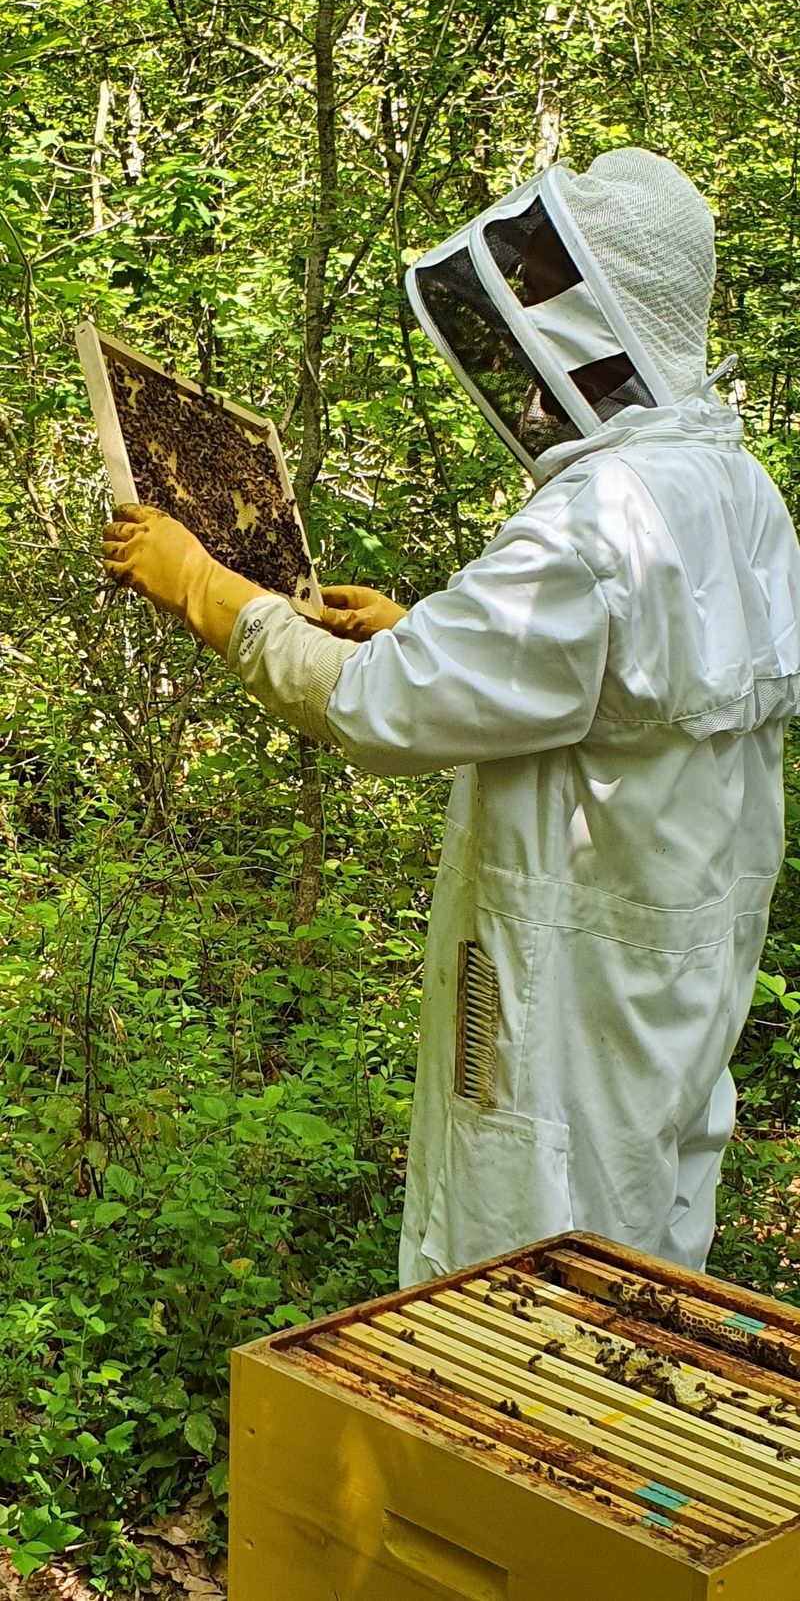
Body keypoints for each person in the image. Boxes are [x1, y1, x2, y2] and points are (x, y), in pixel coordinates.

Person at [103, 147, 800, 1284]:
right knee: (643, 1275)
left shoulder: (596, 517)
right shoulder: (733, 489)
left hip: (564, 1007)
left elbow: (378, 710)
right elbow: (615, 687)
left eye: (540, 292)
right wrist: (424, 626)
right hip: (670, 995)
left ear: (605, 311)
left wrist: (201, 582)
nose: (525, 325)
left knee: (521, 1301)